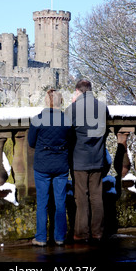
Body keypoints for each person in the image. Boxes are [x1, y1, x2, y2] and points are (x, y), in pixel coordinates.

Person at [65, 79, 109, 243]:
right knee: (97, 196)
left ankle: (81, 233)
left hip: (79, 158)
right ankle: (98, 232)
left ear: (78, 91)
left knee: (81, 197)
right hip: (97, 157)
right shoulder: (102, 107)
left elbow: (67, 132)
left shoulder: (73, 109)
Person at [28, 89, 73, 246]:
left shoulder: (38, 119)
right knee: (60, 202)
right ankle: (60, 237)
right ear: (60, 101)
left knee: (42, 202)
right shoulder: (67, 120)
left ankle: (41, 238)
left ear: (46, 101)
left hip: (42, 166)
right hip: (61, 165)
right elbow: (71, 141)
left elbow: (31, 142)